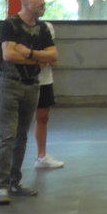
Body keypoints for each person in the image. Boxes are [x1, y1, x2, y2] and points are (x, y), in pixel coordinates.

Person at [0, 0, 57, 204]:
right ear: (26, 1)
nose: (42, 2)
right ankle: (1, 186)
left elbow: (53, 55)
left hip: (32, 86)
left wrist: (29, 52)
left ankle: (14, 182)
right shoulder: (11, 25)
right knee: (8, 136)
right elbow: (9, 55)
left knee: (21, 137)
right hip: (10, 85)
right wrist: (38, 58)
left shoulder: (42, 29)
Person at [34, 20, 64, 169]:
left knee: (43, 117)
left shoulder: (47, 27)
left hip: (45, 80)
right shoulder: (16, 26)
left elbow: (52, 59)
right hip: (24, 81)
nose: (42, 3)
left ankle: (42, 156)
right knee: (19, 122)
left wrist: (44, 57)